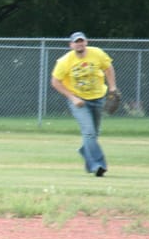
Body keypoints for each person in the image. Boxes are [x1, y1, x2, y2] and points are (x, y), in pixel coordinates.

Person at [50, 32, 118, 177]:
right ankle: (98, 165)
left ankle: (85, 151)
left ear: (86, 42)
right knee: (89, 132)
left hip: (98, 98)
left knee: (94, 134)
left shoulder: (97, 53)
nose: (79, 44)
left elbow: (108, 67)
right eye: (76, 42)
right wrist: (73, 98)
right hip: (79, 101)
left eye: (81, 41)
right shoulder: (65, 61)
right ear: (71, 45)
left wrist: (112, 87)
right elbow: (55, 82)